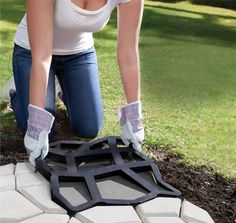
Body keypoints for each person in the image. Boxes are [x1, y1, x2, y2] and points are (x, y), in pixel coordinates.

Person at [9, 0, 144, 166]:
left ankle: (60, 87)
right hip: (32, 53)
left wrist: (134, 119)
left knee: (88, 128)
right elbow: (42, 57)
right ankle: (16, 91)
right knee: (41, 131)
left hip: (79, 55)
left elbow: (129, 56)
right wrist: (36, 126)